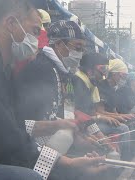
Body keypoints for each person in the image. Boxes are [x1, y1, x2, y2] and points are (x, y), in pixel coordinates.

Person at [0, 1, 105, 180]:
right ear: (11, 24)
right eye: (35, 31)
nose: (38, 40)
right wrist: (66, 164)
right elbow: (5, 136)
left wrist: (67, 162)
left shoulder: (2, 70)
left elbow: (14, 129)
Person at [14, 20, 91, 155]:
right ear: (59, 44)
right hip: (30, 145)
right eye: (77, 47)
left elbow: (67, 110)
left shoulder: (65, 73)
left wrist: (79, 136)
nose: (81, 53)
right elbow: (33, 121)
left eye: (83, 49)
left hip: (58, 141)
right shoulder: (41, 69)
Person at [73, 53, 129, 159]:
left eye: (106, 70)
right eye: (102, 70)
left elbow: (90, 115)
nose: (104, 75)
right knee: (122, 129)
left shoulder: (89, 82)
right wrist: (102, 137)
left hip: (86, 124)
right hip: (77, 128)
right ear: (90, 69)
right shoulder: (79, 82)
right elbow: (83, 116)